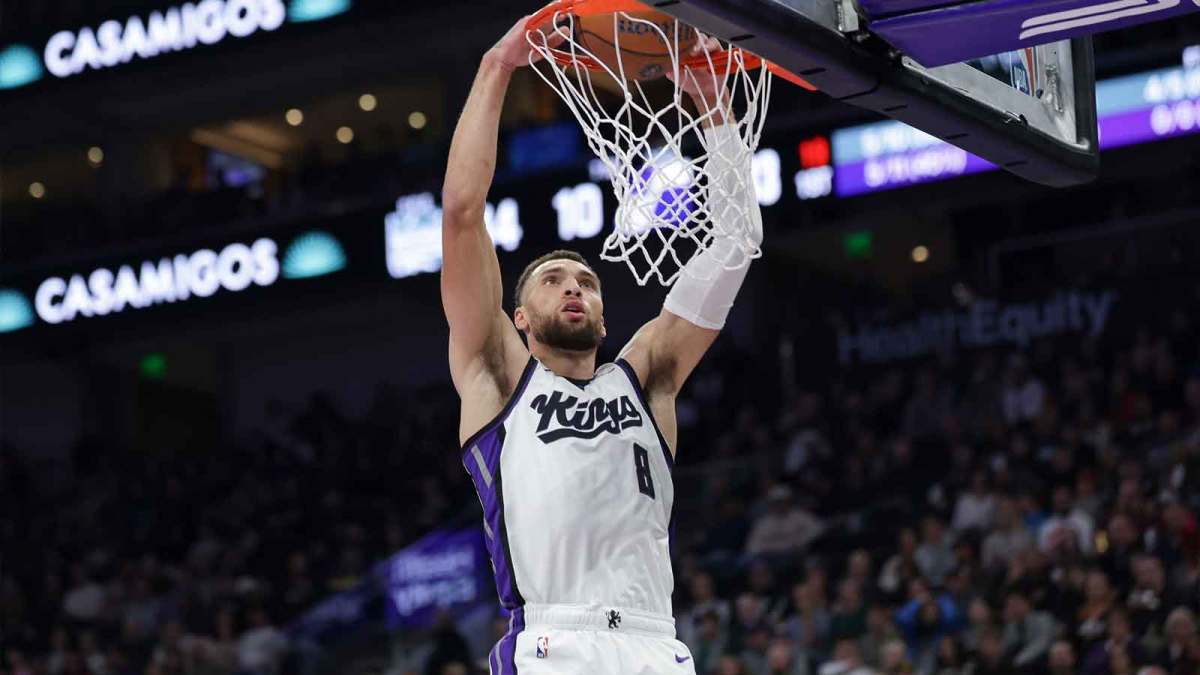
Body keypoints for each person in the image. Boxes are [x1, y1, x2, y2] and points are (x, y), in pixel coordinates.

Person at [441, 15, 762, 675]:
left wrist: (712, 107)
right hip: (555, 642)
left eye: (587, 281)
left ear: (605, 317)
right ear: (520, 317)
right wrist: (496, 65)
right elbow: (462, 213)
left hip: (655, 642)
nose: (574, 288)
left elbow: (734, 244)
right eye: (553, 280)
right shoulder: (500, 376)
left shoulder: (645, 377)